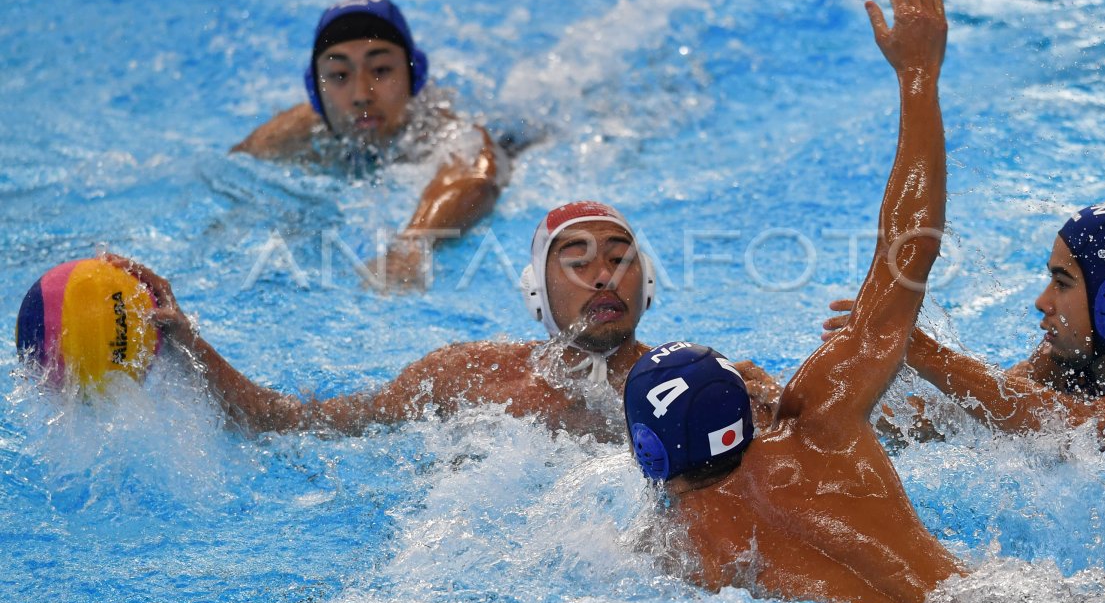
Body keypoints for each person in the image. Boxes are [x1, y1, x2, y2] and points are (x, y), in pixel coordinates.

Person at [621, 0, 1105, 603]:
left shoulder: (682, 550)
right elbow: (908, 251)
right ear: (739, 408)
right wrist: (918, 78)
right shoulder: (819, 422)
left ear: (650, 452)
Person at [108, 201, 779, 440]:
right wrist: (190, 343)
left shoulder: (705, 388)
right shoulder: (465, 375)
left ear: (648, 284)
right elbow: (293, 423)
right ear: (537, 297)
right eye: (576, 261)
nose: (605, 276)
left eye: (621, 259)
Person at [823, 210, 1105, 453]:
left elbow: (1073, 429)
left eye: (1062, 282)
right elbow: (976, 411)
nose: (1042, 301)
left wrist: (922, 352)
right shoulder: (1074, 351)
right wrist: (820, 407)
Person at [231, 0, 505, 289]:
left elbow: (474, 179)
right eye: (339, 75)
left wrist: (412, 245)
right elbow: (230, 177)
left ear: (415, 74)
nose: (362, 94)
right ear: (315, 90)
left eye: (381, 70)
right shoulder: (289, 135)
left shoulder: (438, 127)